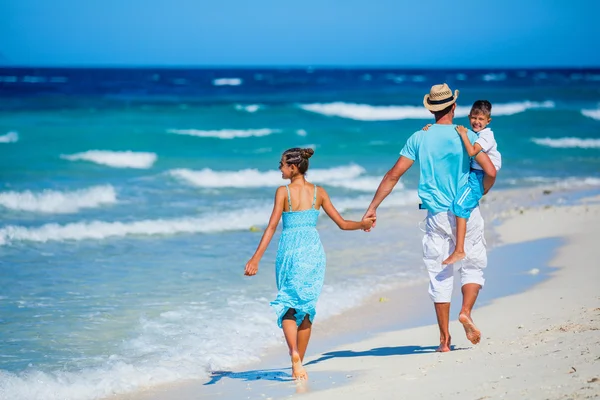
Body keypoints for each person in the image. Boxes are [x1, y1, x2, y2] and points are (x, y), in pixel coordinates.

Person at [363, 84, 497, 352]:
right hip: (466, 212)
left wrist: (372, 207)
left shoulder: (419, 137)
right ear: (455, 107)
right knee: (472, 266)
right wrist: (479, 193)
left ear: (430, 109)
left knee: (440, 275)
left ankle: (444, 341)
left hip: (436, 216)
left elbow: (393, 175)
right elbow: (491, 171)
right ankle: (466, 312)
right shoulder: (468, 135)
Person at [244, 147, 375, 379]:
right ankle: (298, 364)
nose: (280, 169)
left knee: (288, 305)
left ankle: (294, 354)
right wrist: (363, 224)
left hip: (290, 251)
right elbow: (343, 224)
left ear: (293, 167)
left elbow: (272, 227)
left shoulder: (282, 192)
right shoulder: (319, 192)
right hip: (313, 252)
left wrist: (256, 258)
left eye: (282, 165)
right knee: (305, 310)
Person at [423, 100, 502, 265]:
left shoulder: (486, 136)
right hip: (474, 173)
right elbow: (450, 133)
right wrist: (430, 130)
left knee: (459, 206)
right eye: (474, 118)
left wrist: (464, 135)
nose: (476, 122)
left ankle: (459, 250)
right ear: (469, 116)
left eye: (481, 119)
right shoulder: (476, 134)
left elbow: (473, 151)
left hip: (478, 176)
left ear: (488, 121)